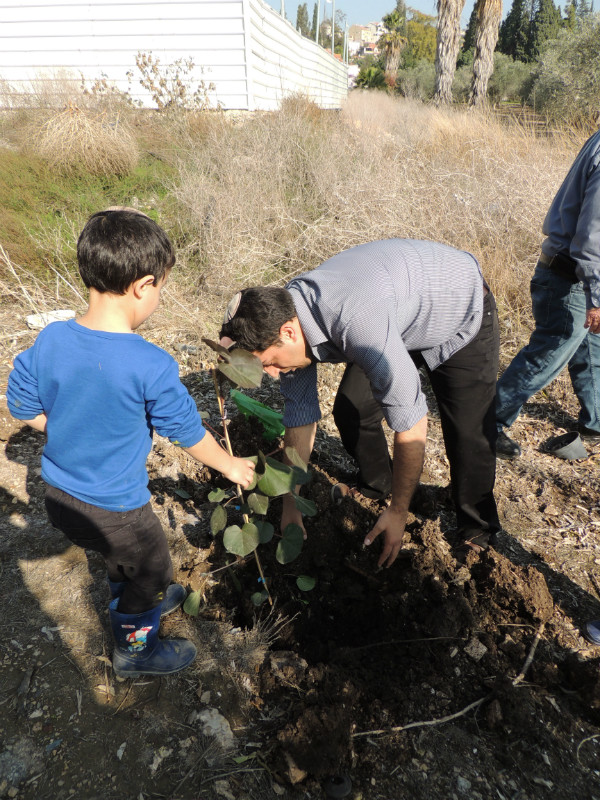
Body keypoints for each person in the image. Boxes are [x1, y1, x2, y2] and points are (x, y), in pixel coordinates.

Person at [6, 208, 255, 678]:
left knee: (121, 560)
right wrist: (231, 467)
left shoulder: (53, 338)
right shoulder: (150, 364)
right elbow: (185, 431)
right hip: (117, 508)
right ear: (143, 285)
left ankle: (134, 601)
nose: (158, 296)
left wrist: (62, 427)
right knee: (154, 567)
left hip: (60, 498)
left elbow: (19, 403)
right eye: (160, 286)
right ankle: (135, 649)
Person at [220, 239, 500, 567]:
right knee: (351, 409)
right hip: (395, 313)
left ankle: (477, 528)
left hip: (458, 306)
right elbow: (299, 414)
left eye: (268, 362)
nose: (268, 373)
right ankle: (377, 487)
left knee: (468, 432)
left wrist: (399, 512)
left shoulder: (356, 323)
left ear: (289, 333)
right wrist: (291, 505)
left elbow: (412, 422)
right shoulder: (287, 317)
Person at [495, 128, 600, 460]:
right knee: (546, 355)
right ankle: (486, 422)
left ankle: (595, 420)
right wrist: (596, 297)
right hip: (569, 277)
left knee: (592, 351)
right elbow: (592, 239)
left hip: (573, 274)